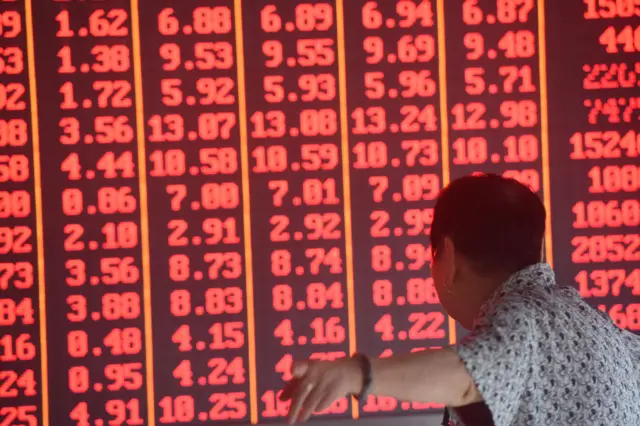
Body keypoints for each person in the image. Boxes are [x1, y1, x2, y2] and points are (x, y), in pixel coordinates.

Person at [279, 174, 640, 425]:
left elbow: (474, 376)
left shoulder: (525, 318)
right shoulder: (602, 328)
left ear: (447, 257)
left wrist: (358, 373)